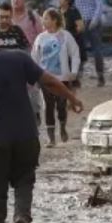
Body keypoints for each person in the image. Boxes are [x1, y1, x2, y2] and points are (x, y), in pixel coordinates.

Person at [0, 26, 84, 223]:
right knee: (24, 181)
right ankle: (21, 217)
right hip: (27, 135)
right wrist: (71, 98)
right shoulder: (19, 58)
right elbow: (48, 81)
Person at [31, 10, 81, 147]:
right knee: (48, 106)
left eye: (46, 18)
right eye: (43, 18)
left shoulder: (66, 36)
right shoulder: (40, 38)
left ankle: (63, 127)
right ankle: (51, 137)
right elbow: (34, 58)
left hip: (62, 78)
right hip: (45, 78)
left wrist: (74, 71)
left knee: (61, 105)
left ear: (54, 20)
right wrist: (33, 76)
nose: (43, 21)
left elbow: (75, 53)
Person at [0, 2, 42, 124]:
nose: (4, 20)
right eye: (1, 17)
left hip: (16, 78)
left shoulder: (17, 31)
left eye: (7, 17)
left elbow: (27, 51)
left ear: (11, 17)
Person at [70, 0, 106, 87]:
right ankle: (77, 77)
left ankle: (100, 75)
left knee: (97, 50)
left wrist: (94, 21)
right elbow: (71, 9)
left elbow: (99, 5)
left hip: (93, 22)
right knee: (79, 50)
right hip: (79, 22)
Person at [58, 0, 86, 85]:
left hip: (74, 48)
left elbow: (81, 27)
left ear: (68, 0)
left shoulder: (73, 11)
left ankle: (72, 98)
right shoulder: (57, 12)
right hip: (60, 49)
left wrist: (69, 35)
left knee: (73, 79)